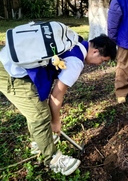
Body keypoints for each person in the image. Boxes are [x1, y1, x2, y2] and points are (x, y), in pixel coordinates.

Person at [0, 33, 117, 176]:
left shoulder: (74, 40)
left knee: (38, 105)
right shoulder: (75, 62)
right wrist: (55, 122)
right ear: (95, 51)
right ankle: (53, 159)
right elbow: (56, 96)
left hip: (11, 59)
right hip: (9, 70)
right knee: (40, 114)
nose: (100, 64)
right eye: (103, 60)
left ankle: (39, 142)